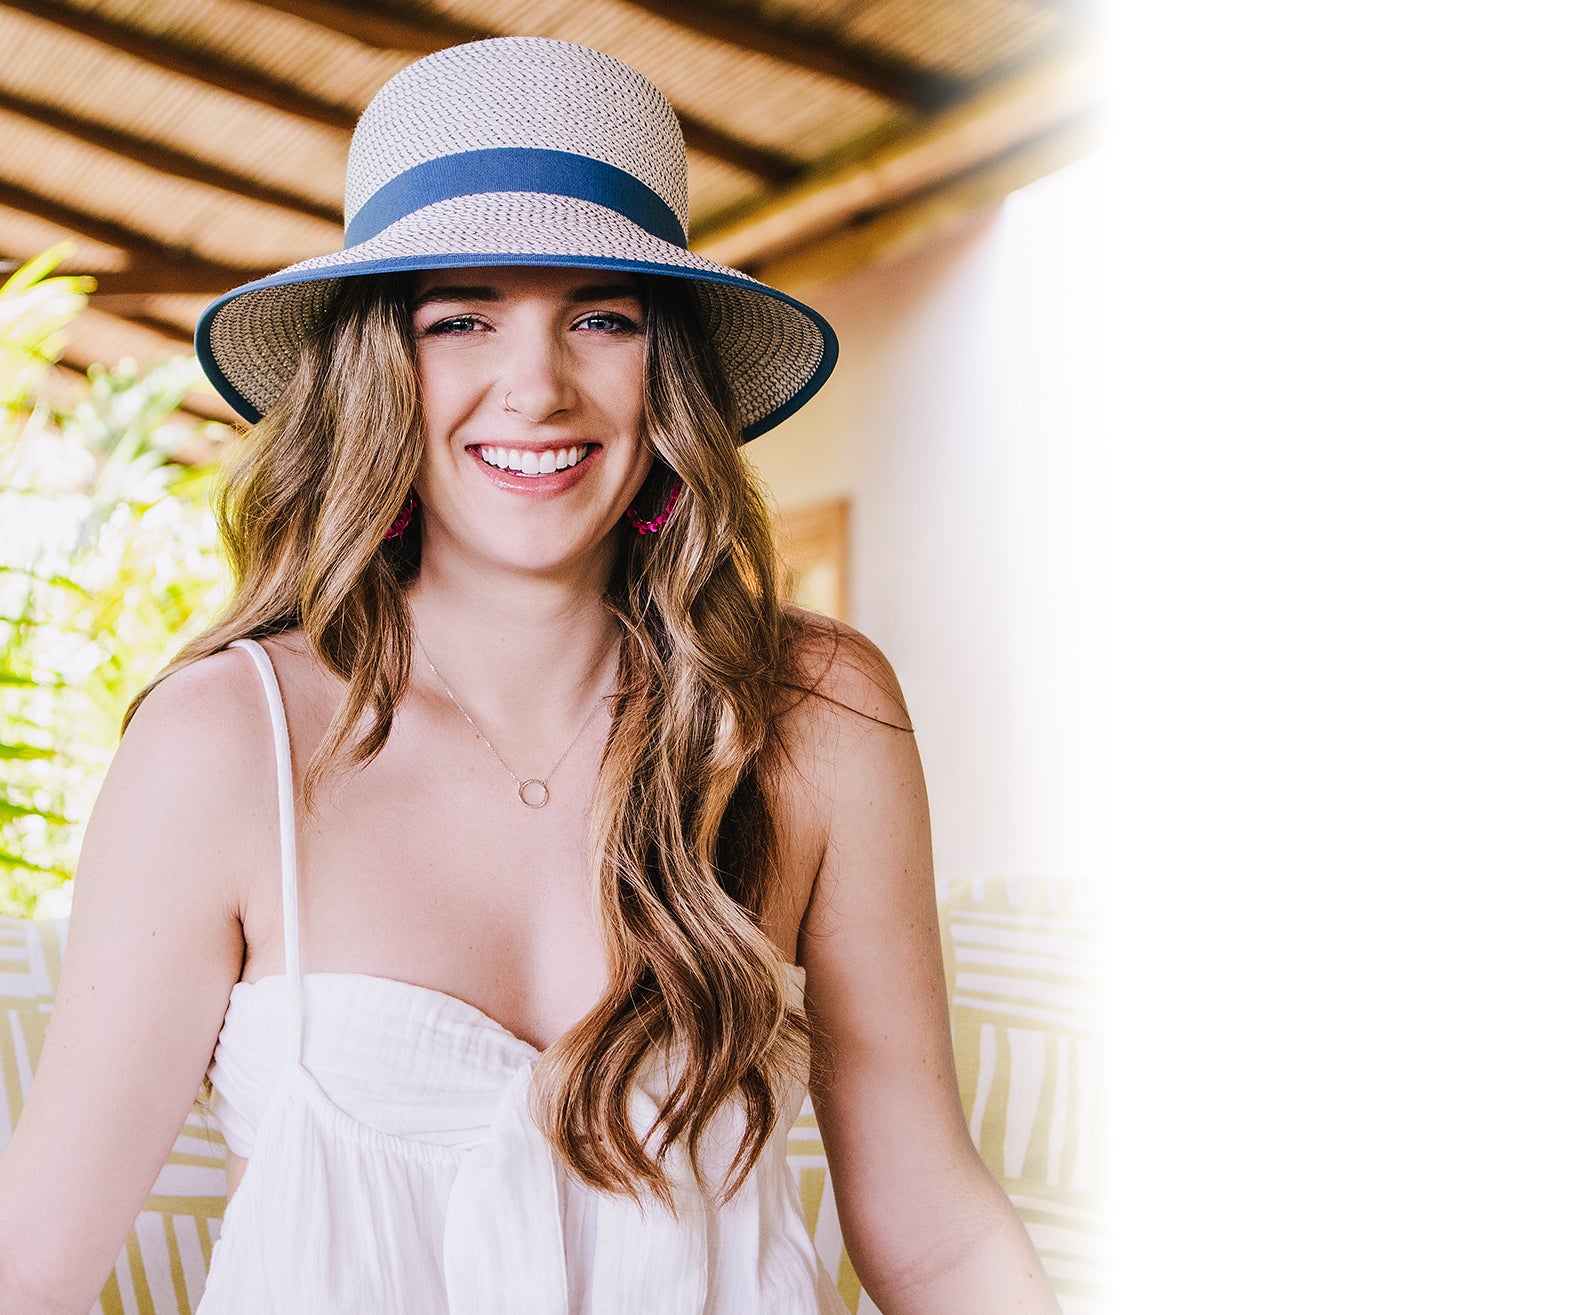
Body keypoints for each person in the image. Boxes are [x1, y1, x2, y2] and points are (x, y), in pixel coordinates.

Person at [0, 35, 1059, 1315]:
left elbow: (933, 1235)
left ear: (666, 367)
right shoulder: (230, 741)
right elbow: (35, 1262)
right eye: (461, 318)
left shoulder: (814, 716)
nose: (537, 386)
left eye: (600, 318)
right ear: (377, 370)